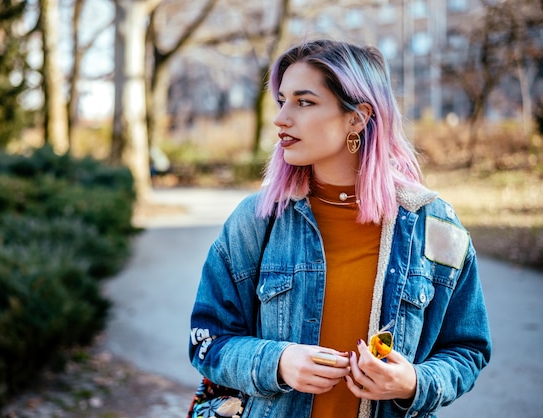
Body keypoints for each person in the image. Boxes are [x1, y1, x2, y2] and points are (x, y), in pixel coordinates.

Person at [188, 39, 491, 418]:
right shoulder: (256, 220)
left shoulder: (434, 224)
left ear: (357, 117)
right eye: (282, 100)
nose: (282, 118)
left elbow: (468, 349)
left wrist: (414, 382)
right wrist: (278, 361)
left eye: (304, 101)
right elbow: (207, 341)